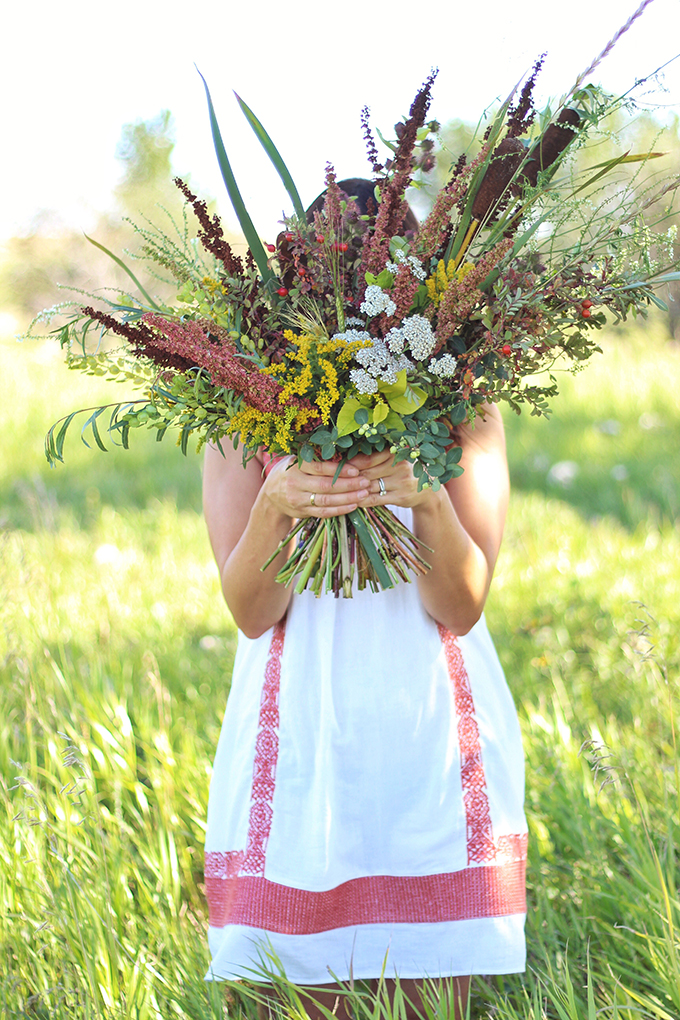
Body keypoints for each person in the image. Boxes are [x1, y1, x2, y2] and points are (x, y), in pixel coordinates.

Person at [201, 184, 527, 1019]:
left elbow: (462, 605)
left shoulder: (463, 399)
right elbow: (248, 610)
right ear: (294, 289)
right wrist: (281, 503)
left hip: (426, 720)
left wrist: (426, 500)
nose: (352, 295)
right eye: (329, 276)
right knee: (302, 991)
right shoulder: (245, 403)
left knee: (426, 991)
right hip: (300, 720)